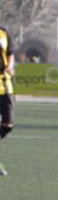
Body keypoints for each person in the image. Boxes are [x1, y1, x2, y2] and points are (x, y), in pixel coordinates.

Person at [0, 26, 15, 176]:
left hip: (5, 85)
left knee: (8, 125)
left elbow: (10, 54)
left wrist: (10, 67)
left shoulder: (4, 33)